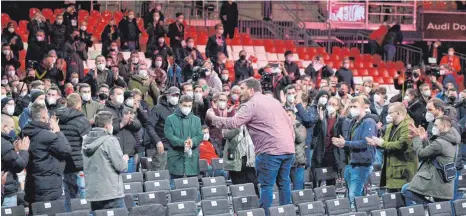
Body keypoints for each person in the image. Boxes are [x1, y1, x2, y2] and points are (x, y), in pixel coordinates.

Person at [206, 78, 295, 215]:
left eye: (242, 88)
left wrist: (213, 118)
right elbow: (290, 124)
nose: (239, 92)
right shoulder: (275, 102)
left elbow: (234, 123)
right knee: (284, 183)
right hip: (288, 149)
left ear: (251, 90)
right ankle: (287, 213)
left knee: (267, 186)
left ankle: (265, 214)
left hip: (270, 151)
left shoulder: (251, 104)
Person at [402, 116, 461, 205]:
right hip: (445, 183)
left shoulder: (440, 143)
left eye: (436, 125)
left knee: (406, 190)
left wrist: (416, 138)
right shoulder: (453, 141)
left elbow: (421, 154)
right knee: (443, 210)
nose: (434, 127)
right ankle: (434, 208)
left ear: (444, 126)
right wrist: (424, 139)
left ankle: (432, 207)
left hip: (436, 182)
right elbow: (432, 151)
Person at [331, 96, 377, 207]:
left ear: (363, 107)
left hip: (362, 164)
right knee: (351, 196)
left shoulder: (369, 122)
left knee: (354, 196)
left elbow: (365, 142)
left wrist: (345, 143)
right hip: (350, 164)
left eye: (355, 106)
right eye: (351, 106)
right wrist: (342, 144)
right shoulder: (352, 122)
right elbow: (350, 142)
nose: (352, 109)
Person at [23, 102, 71, 205]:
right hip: (49, 186)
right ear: (45, 116)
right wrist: (58, 131)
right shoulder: (47, 135)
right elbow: (66, 150)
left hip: (32, 183)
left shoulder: (26, 132)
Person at [82, 111, 128, 211]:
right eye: (111, 124)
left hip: (94, 194)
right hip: (111, 194)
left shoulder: (86, 140)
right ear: (107, 126)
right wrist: (124, 159)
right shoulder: (110, 141)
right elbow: (121, 166)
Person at [366, 102, 417, 192]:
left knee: (403, 199)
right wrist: (377, 143)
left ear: (398, 113)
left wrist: (382, 144)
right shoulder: (390, 126)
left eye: (390, 113)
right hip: (390, 170)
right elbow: (385, 143)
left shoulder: (408, 125)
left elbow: (401, 145)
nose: (387, 115)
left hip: (403, 171)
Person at [55, 93, 91, 210]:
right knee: (83, 193)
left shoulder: (57, 118)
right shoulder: (82, 120)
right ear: (79, 105)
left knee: (68, 193)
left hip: (64, 162)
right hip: (79, 164)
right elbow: (88, 143)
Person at [100, 86, 141, 173]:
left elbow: (138, 126)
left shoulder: (126, 109)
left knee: (130, 183)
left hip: (129, 153)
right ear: (111, 96)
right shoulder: (104, 111)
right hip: (113, 155)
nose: (121, 96)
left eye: (122, 94)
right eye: (118, 94)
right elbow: (104, 130)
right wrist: (121, 124)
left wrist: (130, 123)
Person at [165, 95, 203, 179]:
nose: (187, 108)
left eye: (189, 106)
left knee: (193, 188)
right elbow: (169, 136)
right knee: (175, 188)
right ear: (179, 105)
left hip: (192, 160)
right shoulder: (170, 119)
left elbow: (200, 135)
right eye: (185, 105)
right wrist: (184, 143)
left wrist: (192, 141)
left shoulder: (196, 120)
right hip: (176, 160)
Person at [145, 87, 180, 170]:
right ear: (167, 95)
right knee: (158, 175)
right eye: (173, 95)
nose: (175, 97)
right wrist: (157, 141)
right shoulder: (158, 108)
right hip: (162, 148)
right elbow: (149, 126)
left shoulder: (180, 109)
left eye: (177, 95)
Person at [1, 115, 29, 207]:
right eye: (12, 127)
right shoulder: (4, 144)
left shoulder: (6, 143)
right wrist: (24, 151)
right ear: (4, 127)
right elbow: (18, 166)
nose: (13, 130)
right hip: (7, 192)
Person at [285, 108, 307, 190]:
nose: (287, 117)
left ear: (294, 117)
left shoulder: (301, 127)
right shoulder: (281, 129)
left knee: (298, 190)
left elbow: (300, 139)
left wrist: (292, 126)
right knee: (286, 189)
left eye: (289, 115)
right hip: (286, 164)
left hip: (298, 164)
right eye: (286, 116)